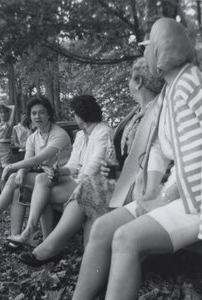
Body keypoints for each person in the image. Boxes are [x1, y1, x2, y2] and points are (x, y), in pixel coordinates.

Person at [40, 17, 202, 300]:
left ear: (164, 50)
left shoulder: (193, 82)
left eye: (149, 43)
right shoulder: (166, 95)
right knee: (103, 227)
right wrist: (151, 194)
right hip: (180, 195)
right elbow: (161, 152)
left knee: (126, 239)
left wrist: (178, 198)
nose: (145, 51)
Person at [17, 58, 165, 267]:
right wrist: (112, 169)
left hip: (145, 186)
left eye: (130, 80)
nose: (128, 85)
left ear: (139, 81)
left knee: (87, 187)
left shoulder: (156, 113)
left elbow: (151, 160)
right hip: (121, 182)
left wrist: (112, 173)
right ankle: (61, 249)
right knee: (69, 185)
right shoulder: (136, 114)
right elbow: (123, 162)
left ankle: (54, 248)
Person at [7, 95, 114, 253]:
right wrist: (58, 171)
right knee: (43, 179)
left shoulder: (103, 132)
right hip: (78, 179)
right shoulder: (80, 135)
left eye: (75, 114)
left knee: (40, 195)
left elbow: (94, 167)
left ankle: (43, 239)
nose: (74, 117)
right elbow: (73, 165)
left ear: (81, 115)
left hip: (94, 183)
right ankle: (34, 232)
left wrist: (72, 179)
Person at [0, 96, 72, 237]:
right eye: (34, 113)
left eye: (42, 112)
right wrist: (21, 172)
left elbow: (38, 159)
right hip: (43, 177)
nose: (37, 116)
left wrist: (11, 167)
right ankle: (14, 236)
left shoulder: (59, 134)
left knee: (14, 177)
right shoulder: (33, 137)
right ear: (30, 116)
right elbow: (28, 159)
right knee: (17, 188)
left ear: (49, 114)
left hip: (62, 177)